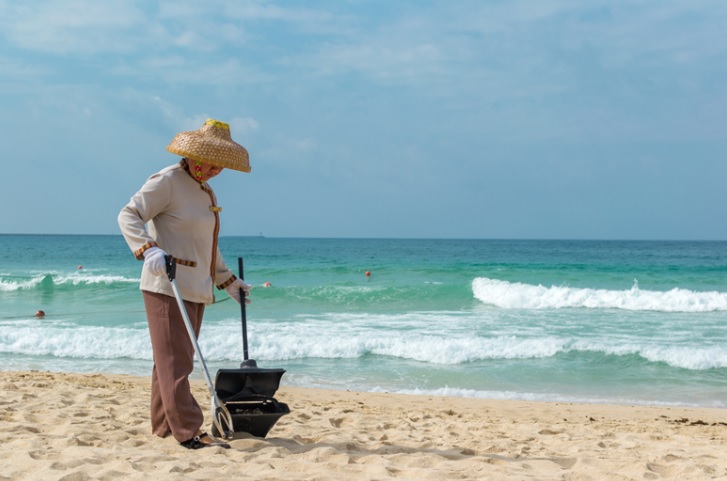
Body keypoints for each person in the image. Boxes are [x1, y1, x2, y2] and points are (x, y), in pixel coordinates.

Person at [118, 119, 252, 449]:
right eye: (210, 163)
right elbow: (128, 214)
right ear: (193, 156)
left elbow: (206, 243)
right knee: (177, 361)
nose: (214, 170)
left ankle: (164, 427)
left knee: (170, 360)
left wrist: (228, 281)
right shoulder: (167, 181)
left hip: (195, 286)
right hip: (166, 284)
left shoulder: (205, 190)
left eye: (220, 167)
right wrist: (148, 249)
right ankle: (189, 432)